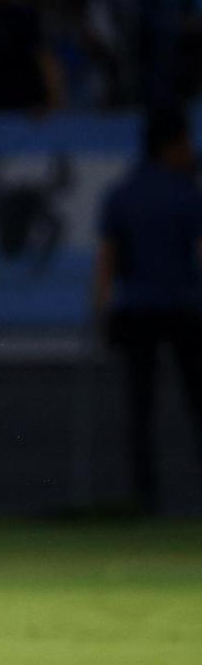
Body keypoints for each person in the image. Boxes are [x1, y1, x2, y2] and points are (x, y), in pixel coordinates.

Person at [94, 107, 202, 512]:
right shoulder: (186, 192)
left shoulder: (123, 193)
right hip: (182, 308)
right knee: (196, 404)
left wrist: (102, 309)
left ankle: (145, 495)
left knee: (140, 408)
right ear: (170, 146)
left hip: (135, 309)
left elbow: (107, 259)